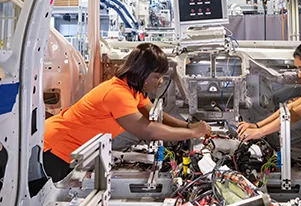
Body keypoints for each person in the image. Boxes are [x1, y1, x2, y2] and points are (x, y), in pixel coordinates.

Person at [44, 43, 211, 181]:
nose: (160, 82)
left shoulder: (132, 90)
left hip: (68, 148)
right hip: (55, 148)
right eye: (156, 76)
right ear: (143, 73)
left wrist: (189, 126)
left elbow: (155, 116)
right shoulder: (117, 94)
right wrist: (192, 133)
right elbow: (147, 130)